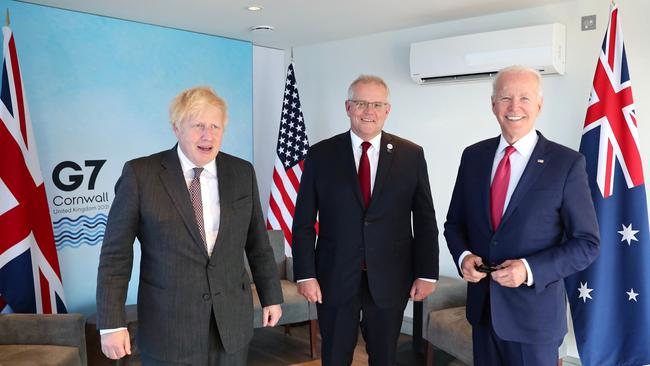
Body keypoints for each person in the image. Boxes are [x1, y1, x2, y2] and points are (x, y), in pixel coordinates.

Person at [96, 86, 283, 365]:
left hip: (230, 326)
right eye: (198, 126)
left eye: (215, 126)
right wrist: (112, 324)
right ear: (177, 129)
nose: (208, 135)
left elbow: (258, 243)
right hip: (169, 329)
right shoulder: (140, 174)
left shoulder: (242, 172)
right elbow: (115, 255)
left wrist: (271, 296)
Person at [444, 65, 600, 365]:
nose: (514, 107)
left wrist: (528, 269)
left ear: (539, 105)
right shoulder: (473, 156)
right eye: (505, 98)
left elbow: (586, 243)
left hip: (534, 320)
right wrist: (463, 256)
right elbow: (454, 224)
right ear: (493, 105)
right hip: (483, 311)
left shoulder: (566, 163)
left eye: (524, 98)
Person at [292, 75, 439, 365]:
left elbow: (424, 219)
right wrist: (305, 274)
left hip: (390, 277)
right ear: (348, 107)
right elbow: (304, 221)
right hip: (333, 276)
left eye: (376, 104)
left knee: (384, 357)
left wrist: (427, 272)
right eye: (361, 103)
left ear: (387, 110)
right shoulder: (321, 154)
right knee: (335, 355)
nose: (368, 111)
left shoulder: (411, 155)